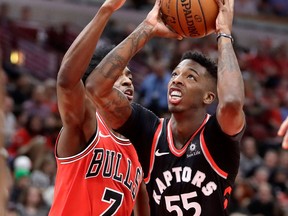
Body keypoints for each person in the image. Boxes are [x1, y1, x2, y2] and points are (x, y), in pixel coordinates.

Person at [85, 0, 246, 215]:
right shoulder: (149, 131)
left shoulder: (217, 135)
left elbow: (232, 103)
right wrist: (147, 28)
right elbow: (96, 88)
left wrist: (224, 34)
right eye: (175, 74)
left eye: (190, 77)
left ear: (209, 97)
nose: (177, 80)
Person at [48, 0, 148, 215]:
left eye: (129, 76)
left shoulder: (139, 147)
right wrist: (106, 10)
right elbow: (67, 81)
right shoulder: (86, 123)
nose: (128, 81)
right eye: (118, 75)